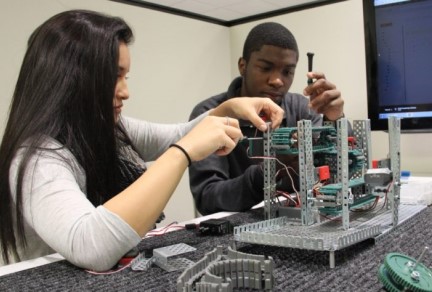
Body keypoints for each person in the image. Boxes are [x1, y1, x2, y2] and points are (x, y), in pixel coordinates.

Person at [0, 10, 285, 271]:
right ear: (70, 79)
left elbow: (177, 134)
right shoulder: (37, 159)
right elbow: (91, 246)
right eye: (114, 77)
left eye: (126, 76)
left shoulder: (107, 129)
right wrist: (180, 155)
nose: (125, 92)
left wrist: (229, 108)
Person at [189, 22, 347, 215]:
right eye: (265, 68)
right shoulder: (212, 114)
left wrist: (335, 120)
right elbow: (208, 198)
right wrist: (268, 172)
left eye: (287, 72)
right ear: (242, 65)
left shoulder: (302, 109)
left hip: (299, 219)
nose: (277, 80)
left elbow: (338, 168)